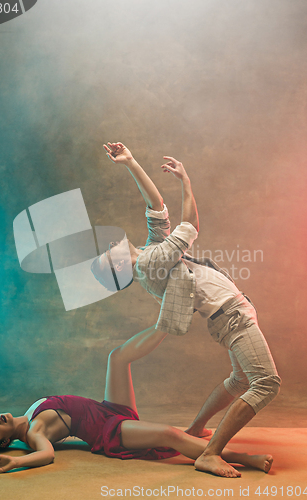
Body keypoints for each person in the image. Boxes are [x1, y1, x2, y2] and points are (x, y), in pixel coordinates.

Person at [91, 142, 281, 478]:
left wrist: (131, 162)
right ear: (118, 267)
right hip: (231, 316)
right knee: (265, 383)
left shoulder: (150, 252)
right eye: (106, 253)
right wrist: (186, 182)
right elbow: (190, 226)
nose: (109, 244)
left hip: (232, 312)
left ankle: (195, 430)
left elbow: (156, 206)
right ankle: (209, 454)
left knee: (239, 380)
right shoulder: (150, 264)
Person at [0, 326, 273, 477]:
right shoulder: (33, 433)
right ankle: (243, 458)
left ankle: (168, 321)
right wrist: (15, 461)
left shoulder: (28, 414)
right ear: (3, 442)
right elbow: (46, 455)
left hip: (108, 411)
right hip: (109, 432)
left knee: (116, 357)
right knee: (169, 433)